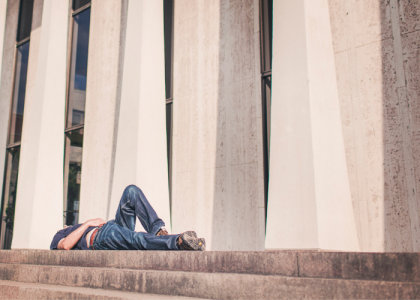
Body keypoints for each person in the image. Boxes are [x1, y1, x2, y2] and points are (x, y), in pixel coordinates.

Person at [50, 185, 205, 251]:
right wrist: (88, 223)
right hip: (101, 238)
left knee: (131, 191)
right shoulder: (60, 234)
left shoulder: (74, 229)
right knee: (136, 238)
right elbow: (65, 246)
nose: (66, 225)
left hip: (111, 226)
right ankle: (178, 241)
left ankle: (158, 230)